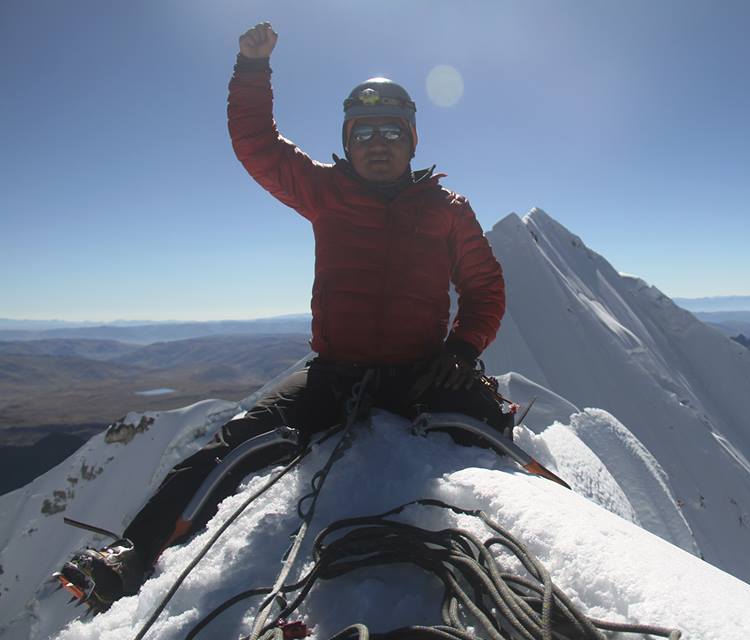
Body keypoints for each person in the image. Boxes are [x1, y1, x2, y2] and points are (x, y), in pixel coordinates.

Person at [55, 21, 509, 612]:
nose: (378, 142)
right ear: (347, 140)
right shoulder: (326, 191)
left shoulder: (447, 211)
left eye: (391, 131)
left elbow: (484, 287)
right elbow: (257, 143)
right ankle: (131, 555)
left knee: (490, 435)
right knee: (234, 443)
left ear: (412, 140)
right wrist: (252, 68)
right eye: (364, 131)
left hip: (421, 371)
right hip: (334, 373)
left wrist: (462, 351)